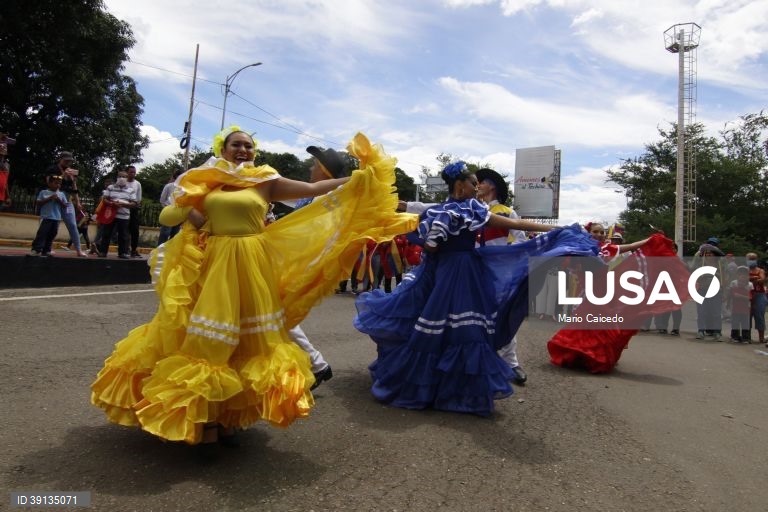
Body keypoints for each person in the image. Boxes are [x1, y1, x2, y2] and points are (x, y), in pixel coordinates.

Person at [91, 127, 416, 447]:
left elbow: (312, 188)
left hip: (250, 265)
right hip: (213, 266)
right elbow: (171, 216)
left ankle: (228, 415)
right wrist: (188, 209)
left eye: (248, 145)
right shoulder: (208, 180)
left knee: (245, 343)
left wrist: (357, 179)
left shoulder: (264, 181)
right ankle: (206, 417)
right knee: (208, 342)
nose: (243, 150)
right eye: (236, 144)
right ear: (223, 149)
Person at [353, 161, 598, 416]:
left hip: (460, 273)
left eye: (479, 183)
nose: (477, 186)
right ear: (460, 185)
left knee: (462, 331)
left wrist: (556, 230)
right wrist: (372, 199)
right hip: (446, 274)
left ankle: (450, 387)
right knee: (446, 329)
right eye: (473, 182)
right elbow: (411, 220)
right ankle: (439, 389)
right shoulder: (439, 210)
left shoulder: (473, 210)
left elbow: (514, 224)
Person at [546, 223, 685, 374]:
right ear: (588, 232)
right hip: (585, 292)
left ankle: (588, 358)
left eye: (602, 232)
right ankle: (577, 356)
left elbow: (631, 246)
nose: (599, 234)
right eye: (595, 231)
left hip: (603, 293)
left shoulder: (606, 248)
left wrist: (651, 240)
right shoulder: (578, 248)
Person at [475, 167, 528, 385]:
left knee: (502, 315)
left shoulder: (507, 212)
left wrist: (505, 257)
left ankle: (511, 363)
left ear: (492, 186)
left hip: (498, 273)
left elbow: (521, 239)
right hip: (472, 270)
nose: (477, 185)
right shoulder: (472, 208)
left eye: (481, 182)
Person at [48, 151, 89, 257]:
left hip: (67, 200)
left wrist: (78, 201)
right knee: (54, 224)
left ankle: (78, 250)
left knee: (72, 225)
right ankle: (48, 247)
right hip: (56, 199)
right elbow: (49, 183)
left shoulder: (70, 171)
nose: (67, 162)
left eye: (69, 161)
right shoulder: (53, 169)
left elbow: (74, 189)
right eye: (66, 160)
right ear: (60, 159)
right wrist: (63, 175)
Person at [98, 170, 136, 259]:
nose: (122, 178)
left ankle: (122, 253)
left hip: (124, 215)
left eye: (124, 177)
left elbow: (134, 203)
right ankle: (103, 251)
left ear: (127, 178)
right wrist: (112, 204)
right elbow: (104, 199)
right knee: (106, 233)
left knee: (123, 235)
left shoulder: (131, 190)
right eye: (120, 176)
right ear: (117, 177)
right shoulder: (110, 187)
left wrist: (124, 204)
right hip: (110, 215)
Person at [30, 175, 67, 256]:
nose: (58, 185)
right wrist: (49, 198)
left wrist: (58, 200)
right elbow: (39, 203)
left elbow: (65, 206)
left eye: (59, 184)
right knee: (42, 233)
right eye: (56, 183)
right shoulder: (43, 192)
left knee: (52, 234)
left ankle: (46, 250)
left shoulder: (61, 194)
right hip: (46, 217)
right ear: (49, 183)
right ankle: (36, 249)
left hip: (56, 218)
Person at [157, 169, 183, 245]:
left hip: (178, 213)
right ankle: (160, 250)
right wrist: (166, 208)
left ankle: (170, 252)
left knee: (175, 234)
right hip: (169, 212)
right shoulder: (168, 186)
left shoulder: (184, 188)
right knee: (165, 233)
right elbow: (162, 200)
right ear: (176, 176)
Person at [727, 266, 752, 343]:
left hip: (746, 307)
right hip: (735, 307)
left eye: (744, 273)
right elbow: (731, 294)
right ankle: (735, 337)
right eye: (740, 272)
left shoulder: (750, 285)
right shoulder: (734, 283)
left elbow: (750, 297)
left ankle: (746, 338)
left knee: (745, 323)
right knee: (735, 322)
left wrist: (740, 296)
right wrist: (728, 303)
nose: (742, 275)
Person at [746, 252, 766, 344]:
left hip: (759, 295)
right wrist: (755, 279)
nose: (751, 261)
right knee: (747, 316)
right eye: (750, 259)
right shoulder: (743, 270)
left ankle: (761, 338)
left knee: (759, 316)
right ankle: (747, 337)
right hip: (747, 295)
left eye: (753, 259)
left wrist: (751, 279)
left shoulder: (760, 270)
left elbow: (762, 279)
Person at [125, 165, 143, 258]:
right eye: (131, 172)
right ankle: (125, 249)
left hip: (133, 209)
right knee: (124, 230)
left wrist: (135, 205)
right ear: (127, 173)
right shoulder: (123, 183)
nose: (132, 174)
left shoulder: (137, 184)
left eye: (134, 172)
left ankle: (134, 249)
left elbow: (139, 198)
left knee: (135, 231)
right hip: (124, 209)